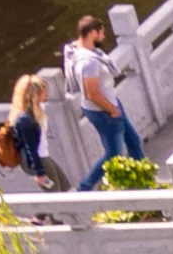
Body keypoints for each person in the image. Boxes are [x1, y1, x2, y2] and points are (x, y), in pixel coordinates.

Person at [58, 14, 139, 178]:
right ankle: (84, 188)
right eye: (101, 33)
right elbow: (91, 93)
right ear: (92, 33)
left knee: (133, 141)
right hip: (104, 110)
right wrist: (112, 110)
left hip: (110, 104)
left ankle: (143, 179)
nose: (103, 36)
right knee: (113, 156)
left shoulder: (78, 51)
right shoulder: (88, 62)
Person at [0, 71, 61, 191]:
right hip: (37, 162)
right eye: (44, 92)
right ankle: (46, 210)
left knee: (65, 188)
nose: (47, 95)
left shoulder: (36, 111)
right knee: (55, 192)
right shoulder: (25, 120)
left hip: (43, 158)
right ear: (35, 95)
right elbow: (31, 149)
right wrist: (40, 173)